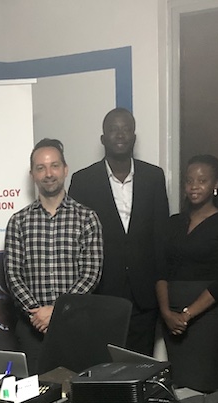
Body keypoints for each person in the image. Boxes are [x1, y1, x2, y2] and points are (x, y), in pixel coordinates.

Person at [68, 108, 169, 355]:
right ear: (103, 138)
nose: (120, 134)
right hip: (101, 292)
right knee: (102, 366)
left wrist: (162, 293)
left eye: (126, 129)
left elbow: (161, 236)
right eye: (113, 129)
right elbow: (74, 241)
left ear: (134, 136)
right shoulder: (83, 180)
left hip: (144, 294)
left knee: (139, 368)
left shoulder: (153, 177)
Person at [4, 138, 103, 373]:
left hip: (76, 328)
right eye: (41, 168)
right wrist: (39, 314)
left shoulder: (87, 218)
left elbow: (90, 275)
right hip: (32, 329)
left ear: (65, 169)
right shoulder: (18, 221)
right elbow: (12, 275)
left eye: (54, 166)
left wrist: (56, 313)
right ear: (33, 175)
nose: (49, 173)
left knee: (78, 396)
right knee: (37, 398)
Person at [155, 155, 218, 392]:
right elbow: (160, 271)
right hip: (171, 319)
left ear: (215, 185)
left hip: (207, 319)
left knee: (203, 385)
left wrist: (187, 315)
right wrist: (166, 313)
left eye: (202, 181)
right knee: (177, 387)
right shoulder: (173, 223)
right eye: (189, 180)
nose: (194, 186)